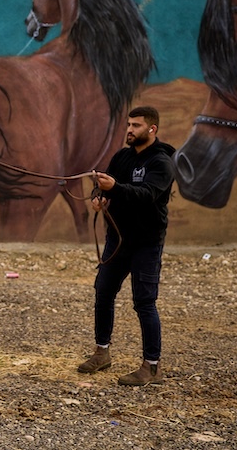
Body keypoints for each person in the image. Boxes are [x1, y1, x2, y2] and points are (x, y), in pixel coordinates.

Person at [78, 105, 176, 386]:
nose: (130, 130)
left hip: (146, 244)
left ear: (152, 129)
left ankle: (151, 367)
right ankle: (102, 353)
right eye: (128, 125)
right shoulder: (122, 157)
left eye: (136, 126)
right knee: (103, 292)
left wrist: (114, 189)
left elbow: (147, 195)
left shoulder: (161, 163)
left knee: (144, 303)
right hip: (117, 240)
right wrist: (100, 198)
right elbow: (106, 186)